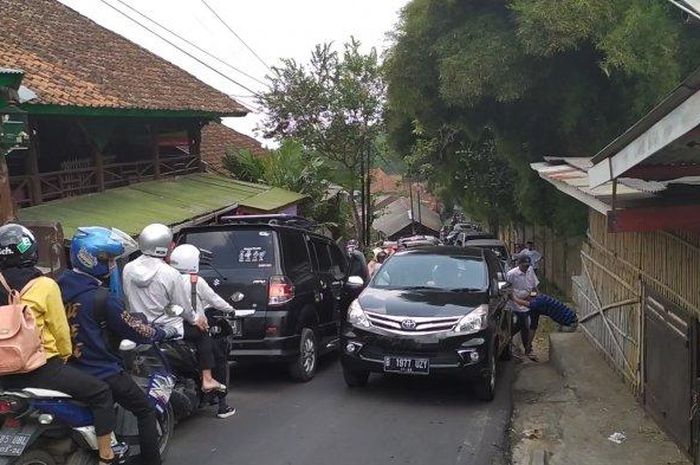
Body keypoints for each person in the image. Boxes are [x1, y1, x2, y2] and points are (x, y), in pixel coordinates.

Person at [59, 226, 180, 465]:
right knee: (144, 409)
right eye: (110, 260)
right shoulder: (103, 298)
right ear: (93, 260)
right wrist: (160, 331)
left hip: (66, 370)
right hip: (100, 370)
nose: (113, 265)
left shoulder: (57, 287)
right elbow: (138, 331)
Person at [0, 224, 119, 465]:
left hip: (3, 374)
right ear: (31, 251)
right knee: (101, 392)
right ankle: (106, 455)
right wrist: (64, 357)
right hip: (41, 370)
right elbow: (61, 331)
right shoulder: (44, 285)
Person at [122, 224, 224, 393]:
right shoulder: (169, 273)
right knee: (204, 333)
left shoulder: (128, 268)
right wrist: (195, 319)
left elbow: (127, 298)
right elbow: (181, 306)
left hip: (140, 328)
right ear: (164, 246)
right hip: (169, 329)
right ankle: (207, 379)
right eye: (170, 244)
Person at [169, 244, 236, 418]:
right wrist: (232, 310)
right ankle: (221, 403)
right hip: (192, 327)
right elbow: (215, 301)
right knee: (217, 357)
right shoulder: (195, 281)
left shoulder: (169, 279)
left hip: (170, 327)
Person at [506, 254, 540, 360]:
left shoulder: (530, 271)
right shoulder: (511, 274)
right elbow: (507, 290)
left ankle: (509, 340)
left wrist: (538, 297)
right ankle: (527, 349)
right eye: (524, 265)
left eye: (527, 265)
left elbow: (534, 286)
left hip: (530, 302)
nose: (526, 268)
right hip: (517, 304)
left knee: (529, 325)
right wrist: (514, 299)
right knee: (524, 323)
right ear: (518, 264)